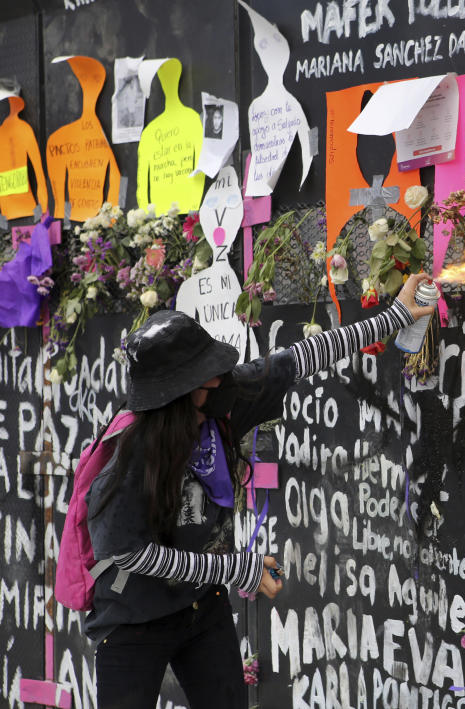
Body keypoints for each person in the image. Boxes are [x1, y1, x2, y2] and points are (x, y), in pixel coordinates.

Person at [85, 273, 435, 708]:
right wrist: (235, 569)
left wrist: (395, 317)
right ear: (179, 394)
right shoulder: (132, 455)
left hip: (200, 607)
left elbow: (305, 356)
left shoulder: (226, 396)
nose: (220, 378)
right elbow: (126, 552)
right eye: (205, 374)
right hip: (134, 618)